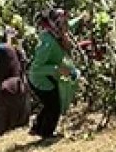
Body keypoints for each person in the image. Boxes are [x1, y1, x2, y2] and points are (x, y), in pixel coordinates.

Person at [27, 8, 80, 140]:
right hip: (39, 79)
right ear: (55, 23)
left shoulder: (57, 34)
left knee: (49, 104)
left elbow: (70, 25)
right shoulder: (47, 41)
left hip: (46, 77)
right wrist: (58, 69)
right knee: (54, 105)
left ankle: (37, 127)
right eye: (62, 23)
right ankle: (46, 133)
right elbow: (37, 67)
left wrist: (82, 17)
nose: (66, 26)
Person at [0, 27, 31, 137]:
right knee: (16, 109)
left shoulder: (6, 47)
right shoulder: (18, 49)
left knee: (0, 109)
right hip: (21, 84)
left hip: (9, 84)